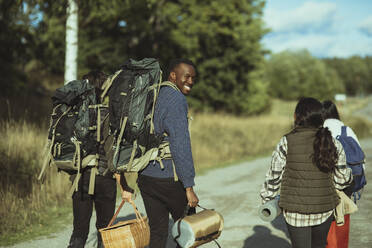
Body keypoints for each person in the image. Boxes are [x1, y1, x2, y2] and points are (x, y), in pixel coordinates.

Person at [121, 59, 199, 248]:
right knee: (189, 231)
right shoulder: (176, 99)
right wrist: (188, 186)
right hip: (169, 178)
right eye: (186, 76)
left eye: (193, 78)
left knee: (157, 231)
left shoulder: (151, 95)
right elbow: (180, 144)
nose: (190, 81)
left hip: (146, 176)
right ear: (173, 75)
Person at [260, 97, 353, 248]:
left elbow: (273, 177)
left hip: (295, 212)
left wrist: (267, 199)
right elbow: (342, 179)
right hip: (324, 209)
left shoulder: (286, 141)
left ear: (297, 117)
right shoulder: (332, 141)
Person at [67, 71, 117, 248]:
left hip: (80, 178)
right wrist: (124, 182)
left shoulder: (74, 114)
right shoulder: (109, 114)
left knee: (79, 231)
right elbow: (113, 153)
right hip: (105, 177)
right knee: (105, 230)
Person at [322, 100, 364, 248]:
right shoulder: (347, 129)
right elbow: (360, 157)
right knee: (344, 218)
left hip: (327, 183)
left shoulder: (321, 129)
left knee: (328, 222)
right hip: (348, 182)